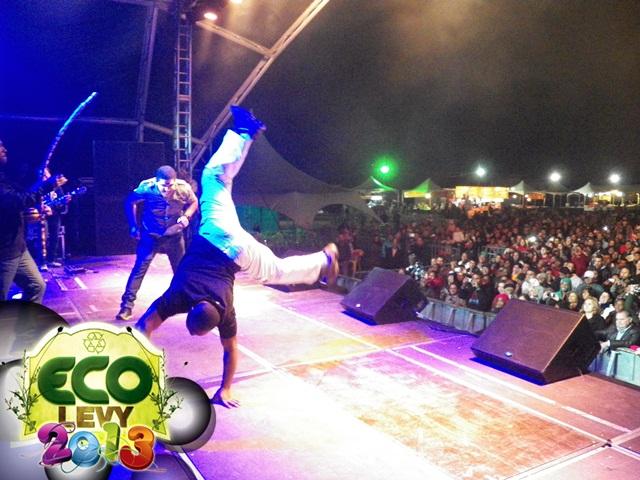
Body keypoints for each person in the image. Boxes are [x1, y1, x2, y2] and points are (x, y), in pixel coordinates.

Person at [135, 106, 339, 408]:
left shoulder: (225, 310)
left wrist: (226, 389)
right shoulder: (179, 296)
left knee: (277, 271)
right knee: (214, 176)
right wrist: (224, 390)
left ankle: (323, 260)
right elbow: (144, 327)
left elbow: (230, 350)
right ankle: (244, 130)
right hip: (217, 232)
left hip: (237, 252)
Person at [116, 165, 198, 320]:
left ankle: (187, 301)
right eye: (163, 186)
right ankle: (126, 306)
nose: (167, 189)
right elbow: (130, 202)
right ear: (156, 181)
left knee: (181, 270)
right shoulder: (147, 187)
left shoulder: (183, 188)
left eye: (170, 185)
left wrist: (186, 216)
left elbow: (194, 202)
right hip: (151, 235)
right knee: (139, 269)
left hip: (174, 235)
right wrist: (133, 225)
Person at [0, 139, 57, 303]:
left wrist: (28, 212)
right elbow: (17, 201)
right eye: (0, 146)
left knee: (36, 287)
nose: (4, 149)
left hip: (17, 248)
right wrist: (47, 186)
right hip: (4, 253)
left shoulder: (3, 178)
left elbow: (16, 201)